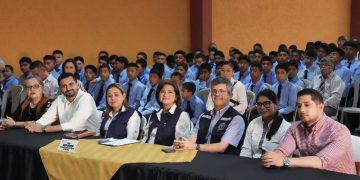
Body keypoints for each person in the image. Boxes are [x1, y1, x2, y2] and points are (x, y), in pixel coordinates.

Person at [261, 89, 356, 175]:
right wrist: (273, 157)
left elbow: (320, 161)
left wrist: (284, 161)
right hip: (311, 175)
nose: (301, 110)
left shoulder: (340, 131)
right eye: (299, 106)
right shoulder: (294, 128)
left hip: (339, 176)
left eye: (307, 105)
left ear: (321, 107)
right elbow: (283, 151)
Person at [173, 77, 246, 155]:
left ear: (230, 95)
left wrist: (195, 146)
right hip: (199, 157)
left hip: (222, 162)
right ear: (211, 95)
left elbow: (221, 147)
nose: (217, 94)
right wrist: (184, 142)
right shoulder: (203, 116)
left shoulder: (236, 119)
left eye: (222, 91)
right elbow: (193, 139)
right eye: (214, 91)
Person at [25, 73, 100, 133]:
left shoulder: (86, 98)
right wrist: (37, 125)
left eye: (71, 84)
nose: (68, 88)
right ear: (60, 89)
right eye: (64, 86)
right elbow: (47, 117)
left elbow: (76, 124)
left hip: (91, 139)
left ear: (77, 85)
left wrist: (45, 128)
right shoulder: (59, 99)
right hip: (68, 138)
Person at [240, 89, 290, 158]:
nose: (262, 107)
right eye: (259, 104)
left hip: (273, 165)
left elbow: (284, 156)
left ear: (276, 105)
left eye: (266, 103)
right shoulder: (253, 123)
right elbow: (246, 150)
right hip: (251, 163)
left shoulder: (285, 127)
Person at [142, 80, 192, 146]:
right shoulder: (154, 114)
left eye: (170, 92)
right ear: (158, 96)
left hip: (167, 154)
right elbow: (145, 137)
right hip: (148, 151)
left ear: (176, 97)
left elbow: (180, 144)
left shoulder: (182, 115)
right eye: (162, 92)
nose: (165, 95)